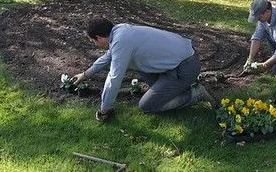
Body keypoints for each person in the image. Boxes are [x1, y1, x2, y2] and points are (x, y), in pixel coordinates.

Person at [73, 18, 216, 121]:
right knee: (137, 64)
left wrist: (105, 109)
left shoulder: (121, 41)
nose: (95, 44)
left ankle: (196, 93)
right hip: (179, 62)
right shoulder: (121, 31)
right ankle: (176, 89)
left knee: (147, 105)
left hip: (185, 67)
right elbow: (107, 57)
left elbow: (114, 78)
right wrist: (85, 74)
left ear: (98, 38)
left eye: (93, 41)